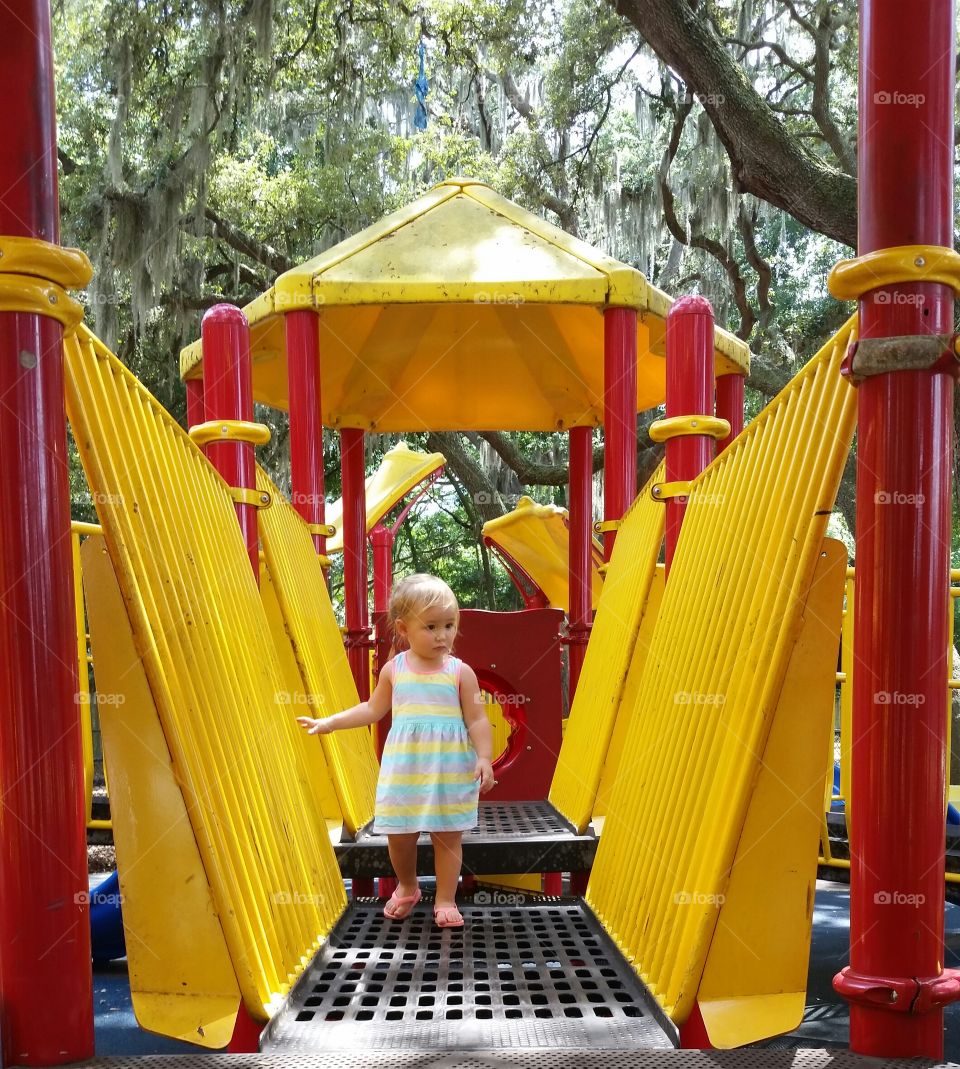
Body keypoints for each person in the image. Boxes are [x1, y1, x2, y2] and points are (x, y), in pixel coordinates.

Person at [297, 573, 495, 928]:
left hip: (449, 770)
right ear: (403, 629)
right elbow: (372, 710)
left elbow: (478, 719)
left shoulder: (459, 673)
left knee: (448, 837)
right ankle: (408, 885)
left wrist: (483, 757)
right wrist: (329, 722)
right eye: (431, 626)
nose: (442, 635)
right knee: (399, 836)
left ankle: (446, 898)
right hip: (405, 770)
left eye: (449, 625)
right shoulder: (395, 670)